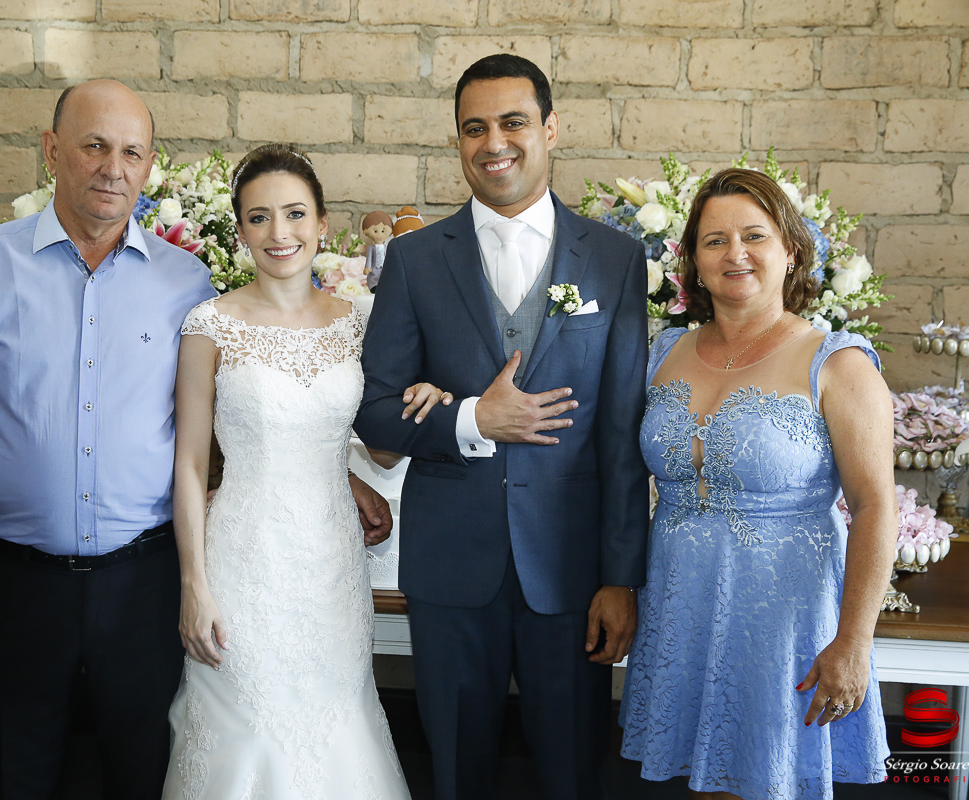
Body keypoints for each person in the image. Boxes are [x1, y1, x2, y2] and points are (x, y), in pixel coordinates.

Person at [0, 80, 244, 799]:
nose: (111, 168)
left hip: (146, 586)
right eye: (93, 146)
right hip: (19, 586)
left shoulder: (189, 284)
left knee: (147, 775)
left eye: (130, 152)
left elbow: (236, 418)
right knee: (13, 775)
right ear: (52, 151)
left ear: (150, 166)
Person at [355, 54, 650, 799]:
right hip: (452, 565)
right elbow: (377, 410)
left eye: (513, 122)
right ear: (458, 141)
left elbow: (621, 434)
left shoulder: (614, 260)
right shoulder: (416, 261)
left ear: (550, 129)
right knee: (454, 767)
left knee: (571, 769)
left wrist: (620, 577)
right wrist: (471, 418)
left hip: (572, 570)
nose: (495, 143)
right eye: (474, 128)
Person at [619, 168, 894, 799]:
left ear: (790, 249)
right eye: (714, 240)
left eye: (754, 235)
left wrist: (853, 641)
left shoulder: (838, 363)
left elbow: (876, 508)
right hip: (679, 602)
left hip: (784, 614)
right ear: (691, 259)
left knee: (767, 780)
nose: (734, 254)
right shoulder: (663, 352)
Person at [164, 143, 426, 799]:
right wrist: (194, 584)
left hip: (331, 565)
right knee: (247, 730)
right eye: (259, 218)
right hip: (244, 561)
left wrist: (425, 400)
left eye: (294, 214)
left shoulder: (361, 322)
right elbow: (191, 466)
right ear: (240, 230)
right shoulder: (210, 326)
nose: (279, 234)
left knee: (337, 725)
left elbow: (383, 448)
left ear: (322, 222)